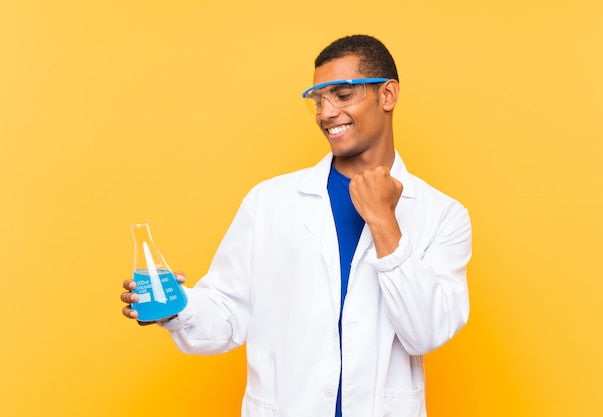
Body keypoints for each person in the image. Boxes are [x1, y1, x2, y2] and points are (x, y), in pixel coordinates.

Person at [121, 34, 472, 417]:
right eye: (318, 100)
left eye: (342, 94)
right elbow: (227, 313)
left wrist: (384, 220)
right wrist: (178, 307)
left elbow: (426, 333)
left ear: (387, 95)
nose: (326, 113)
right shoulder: (269, 202)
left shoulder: (443, 215)